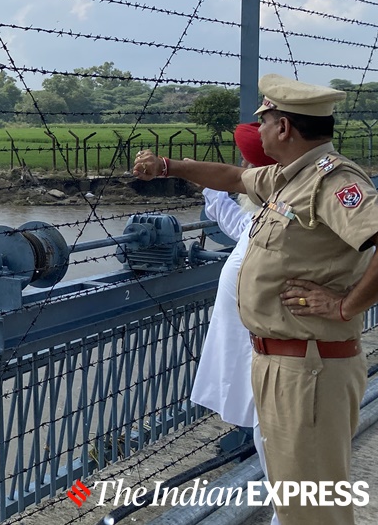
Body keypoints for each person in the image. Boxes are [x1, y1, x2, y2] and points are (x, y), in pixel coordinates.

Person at [133, 74, 378, 525]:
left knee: (314, 508)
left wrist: (347, 307)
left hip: (310, 368)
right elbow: (232, 177)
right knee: (294, 500)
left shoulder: (332, 181)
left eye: (263, 119)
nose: (258, 129)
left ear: (283, 128)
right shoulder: (291, 179)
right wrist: (169, 166)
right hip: (280, 362)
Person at [189, 122, 277, 524]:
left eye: (244, 161)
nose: (239, 164)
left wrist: (344, 307)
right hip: (260, 352)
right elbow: (238, 225)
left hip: (275, 355)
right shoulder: (265, 216)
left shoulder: (285, 213)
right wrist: (208, 187)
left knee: (277, 440)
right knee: (270, 440)